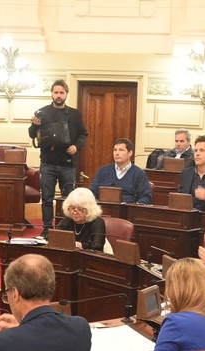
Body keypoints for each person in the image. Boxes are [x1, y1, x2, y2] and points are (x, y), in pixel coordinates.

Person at [28, 80, 88, 236]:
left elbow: (83, 134)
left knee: (69, 200)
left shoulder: (75, 114)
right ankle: (47, 229)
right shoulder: (42, 112)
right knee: (47, 199)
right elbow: (32, 134)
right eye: (56, 92)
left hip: (68, 164)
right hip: (48, 163)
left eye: (61, 92)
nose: (59, 95)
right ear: (52, 94)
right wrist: (35, 125)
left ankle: (66, 230)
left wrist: (76, 146)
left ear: (66, 93)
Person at [89, 138, 151, 204]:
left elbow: (145, 197)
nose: (117, 153)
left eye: (121, 150)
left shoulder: (139, 174)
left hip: (128, 211)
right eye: (115, 150)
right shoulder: (103, 170)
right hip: (104, 210)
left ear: (130, 153)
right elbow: (92, 192)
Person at [54, 187, 106, 252]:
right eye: (72, 208)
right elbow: (54, 236)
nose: (75, 212)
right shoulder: (68, 220)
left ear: (89, 209)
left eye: (80, 209)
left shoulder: (98, 222)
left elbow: (97, 246)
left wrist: (81, 245)